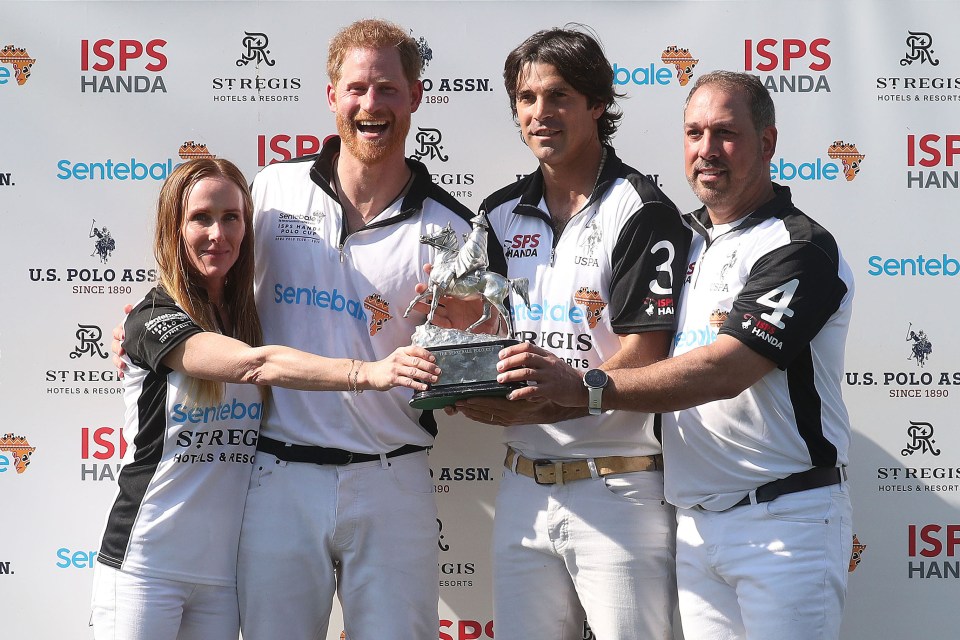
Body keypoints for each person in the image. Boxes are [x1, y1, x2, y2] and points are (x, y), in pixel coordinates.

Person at [505, 71, 855, 640]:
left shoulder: (800, 247)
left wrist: (587, 388)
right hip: (694, 523)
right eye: (694, 133)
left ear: (767, 142)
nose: (707, 150)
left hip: (787, 521)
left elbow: (727, 369)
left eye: (726, 134)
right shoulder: (679, 236)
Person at [91, 158, 441, 640]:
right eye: (201, 218)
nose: (218, 233)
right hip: (146, 565)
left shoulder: (248, 316)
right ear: (174, 227)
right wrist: (370, 373)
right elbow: (254, 365)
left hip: (220, 577)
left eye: (231, 217)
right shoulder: (152, 316)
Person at [235, 19, 485, 640]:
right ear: (331, 97)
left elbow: (472, 364)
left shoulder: (453, 228)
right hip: (278, 475)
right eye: (356, 89)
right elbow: (211, 277)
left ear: (415, 97)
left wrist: (467, 358)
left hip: (391, 478)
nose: (371, 105)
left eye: (387, 89)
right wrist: (158, 320)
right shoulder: (272, 190)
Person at [449, 27, 690, 640]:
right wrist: (467, 384)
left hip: (618, 484)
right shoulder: (497, 213)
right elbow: (483, 337)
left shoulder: (642, 209)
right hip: (524, 484)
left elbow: (647, 353)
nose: (540, 114)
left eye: (558, 97)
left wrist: (562, 390)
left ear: (597, 105)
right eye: (526, 99)